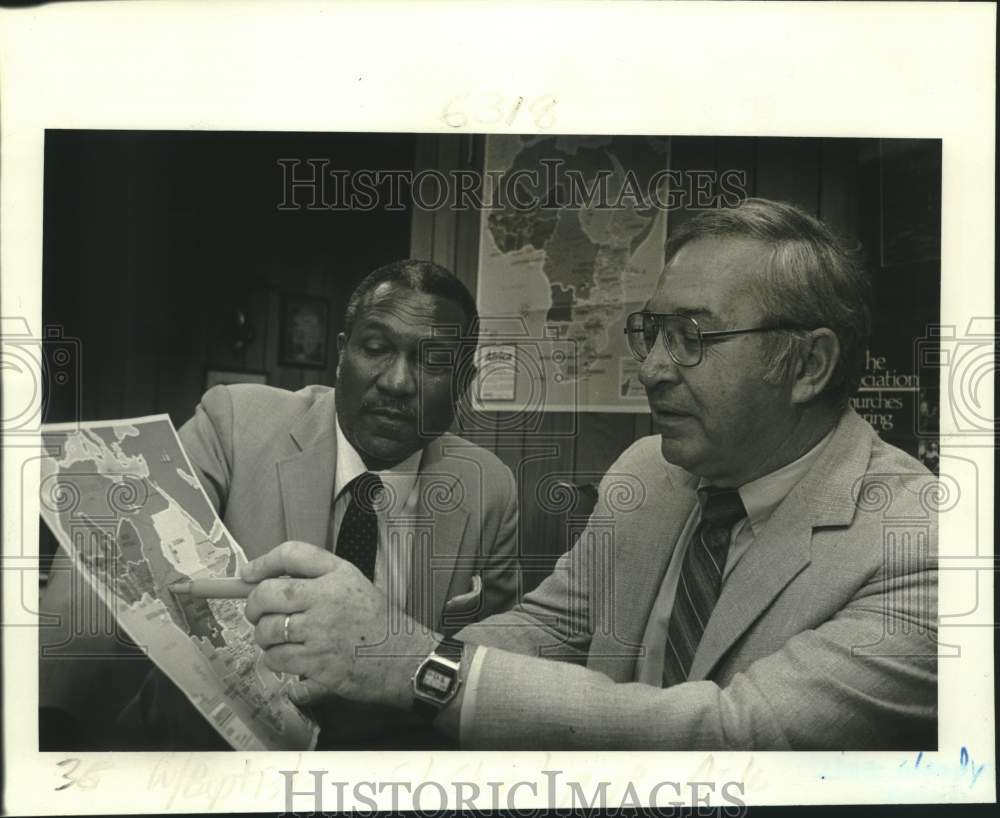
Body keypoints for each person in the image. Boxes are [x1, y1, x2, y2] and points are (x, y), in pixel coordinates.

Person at [239, 199, 938, 750]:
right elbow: (553, 629)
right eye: (651, 332)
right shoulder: (648, 472)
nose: (654, 368)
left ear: (809, 365)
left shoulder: (924, 548)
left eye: (692, 338)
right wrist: (367, 665)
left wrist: (419, 664)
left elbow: (734, 740)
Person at [43, 260, 521, 749]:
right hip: (209, 757)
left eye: (434, 361)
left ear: (464, 381)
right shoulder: (235, 424)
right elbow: (114, 547)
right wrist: (55, 713)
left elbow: (487, 661)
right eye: (376, 349)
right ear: (341, 355)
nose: (398, 382)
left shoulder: (490, 488)